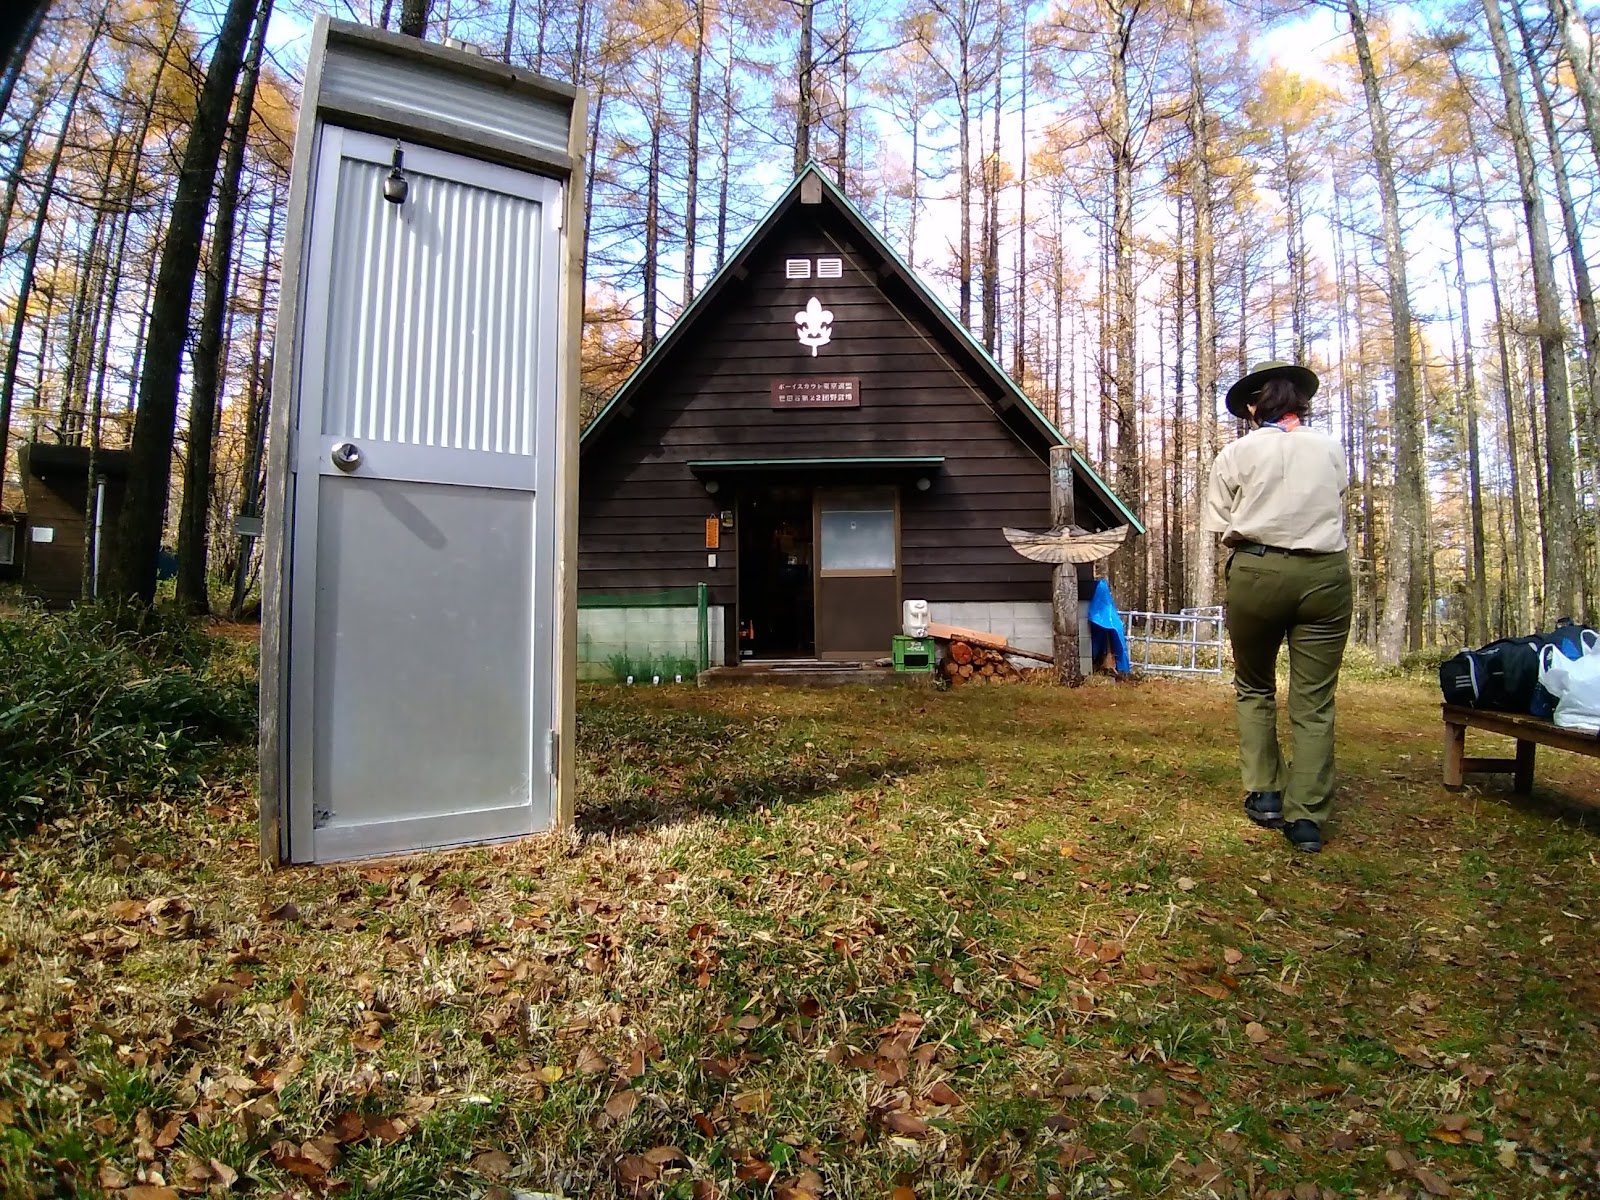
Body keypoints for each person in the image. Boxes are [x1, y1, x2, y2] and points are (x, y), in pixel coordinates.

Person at [1200, 361, 1353, 854]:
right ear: (1300, 404)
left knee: (1254, 685)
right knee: (1314, 699)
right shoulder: (1330, 447)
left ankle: (1266, 793)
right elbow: (1338, 493)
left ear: (1252, 407)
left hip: (1257, 571)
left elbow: (1218, 520)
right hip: (1325, 574)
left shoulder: (1236, 453)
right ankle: (1306, 816)